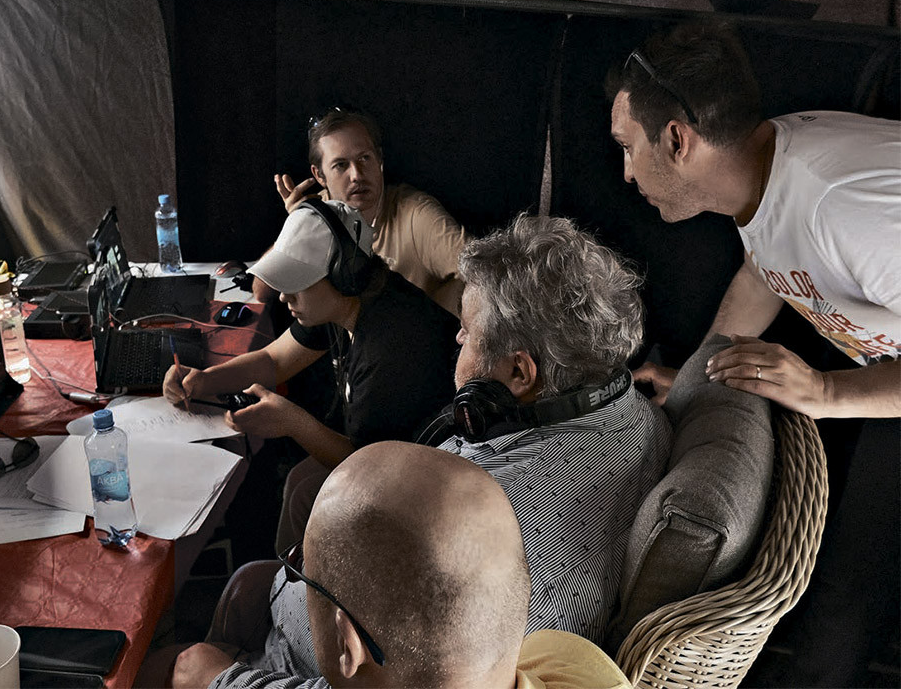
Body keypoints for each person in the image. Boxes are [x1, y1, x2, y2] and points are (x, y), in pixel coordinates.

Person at [166, 215, 668, 684]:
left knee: (178, 664)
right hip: (321, 617)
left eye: (468, 333)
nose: (457, 338)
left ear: (519, 372)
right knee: (251, 582)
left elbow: (392, 673)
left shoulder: (473, 520)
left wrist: (225, 676)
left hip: (303, 662)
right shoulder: (637, 412)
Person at [608, 19, 900, 686]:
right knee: (843, 605)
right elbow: (764, 268)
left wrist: (827, 392)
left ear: (676, 139)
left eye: (627, 147)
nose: (624, 172)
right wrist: (698, 375)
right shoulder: (761, 172)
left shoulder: (838, 204)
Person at [169, 441, 633, 689]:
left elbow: (191, 668)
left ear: (348, 645)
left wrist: (217, 679)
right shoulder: (571, 659)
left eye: (300, 569)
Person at [163, 199, 458, 474]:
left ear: (345, 275)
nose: (283, 296)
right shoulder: (343, 301)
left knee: (301, 486)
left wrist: (292, 422)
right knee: (298, 483)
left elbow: (366, 469)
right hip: (378, 460)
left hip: (419, 474)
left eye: (297, 282)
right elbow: (274, 361)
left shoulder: (388, 351)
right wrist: (205, 380)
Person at [263, 108, 466, 316]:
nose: (356, 175)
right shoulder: (318, 212)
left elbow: (483, 273)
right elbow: (261, 292)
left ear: (379, 159)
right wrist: (297, 227)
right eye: (341, 165)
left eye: (364, 158)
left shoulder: (416, 214)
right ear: (319, 175)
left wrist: (440, 310)